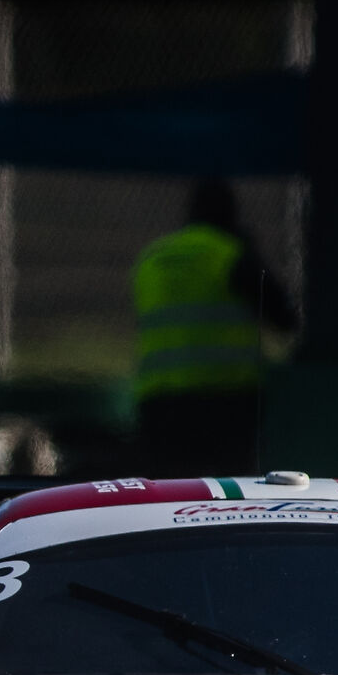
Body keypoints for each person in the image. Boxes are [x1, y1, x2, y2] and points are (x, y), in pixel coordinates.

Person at [132, 178, 296, 478]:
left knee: (167, 493)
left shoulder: (152, 258)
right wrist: (252, 252)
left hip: (159, 405)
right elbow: (285, 318)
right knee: (225, 496)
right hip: (223, 405)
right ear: (231, 214)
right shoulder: (229, 256)